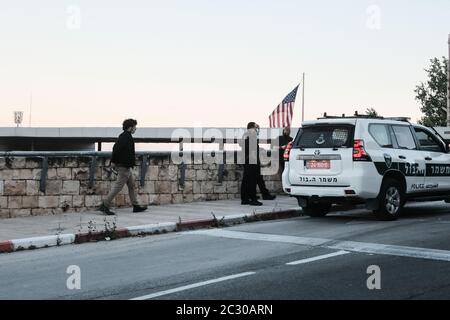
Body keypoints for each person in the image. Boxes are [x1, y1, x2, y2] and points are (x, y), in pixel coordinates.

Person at [99, 119, 148, 215]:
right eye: (135, 127)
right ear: (130, 127)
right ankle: (105, 205)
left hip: (126, 167)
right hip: (123, 167)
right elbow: (116, 149)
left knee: (132, 186)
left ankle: (136, 206)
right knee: (118, 187)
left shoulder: (126, 136)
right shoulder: (125, 137)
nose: (135, 129)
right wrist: (113, 161)